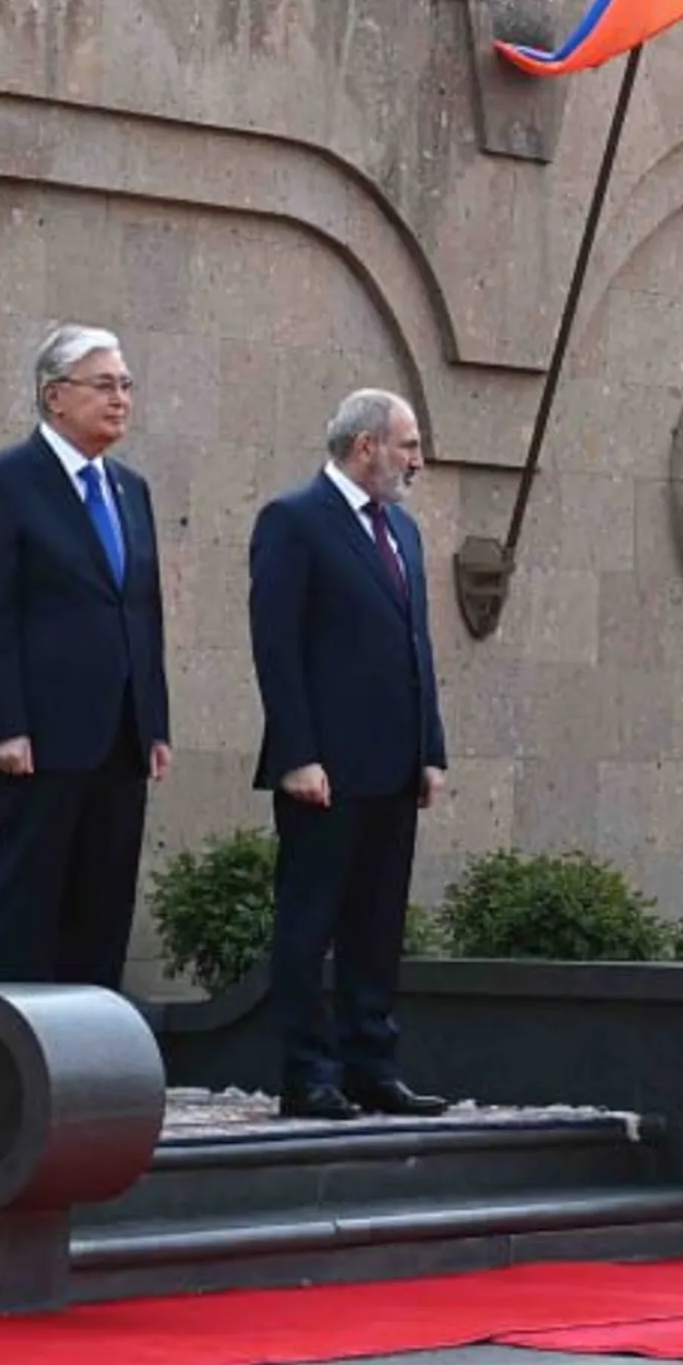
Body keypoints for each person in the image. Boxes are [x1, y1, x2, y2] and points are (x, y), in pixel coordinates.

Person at [249, 389, 449, 1123]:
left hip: (394, 767)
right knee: (311, 924)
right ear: (366, 446)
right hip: (324, 772)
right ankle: (308, 1074)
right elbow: (277, 646)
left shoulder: (405, 533)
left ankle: (373, 1066)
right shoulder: (294, 520)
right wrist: (297, 754)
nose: (418, 461)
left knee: (377, 924)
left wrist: (430, 749)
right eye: (408, 445)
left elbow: (416, 647)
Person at [0, 325, 171, 987]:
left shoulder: (130, 489)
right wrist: (1, 725)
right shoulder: (0, 481)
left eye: (126, 385)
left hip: (121, 739)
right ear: (54, 395)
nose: (121, 399)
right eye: (104, 385)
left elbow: (144, 610)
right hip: (40, 740)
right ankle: (9, 1042)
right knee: (28, 907)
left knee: (103, 909)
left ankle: (91, 1043)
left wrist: (154, 722)